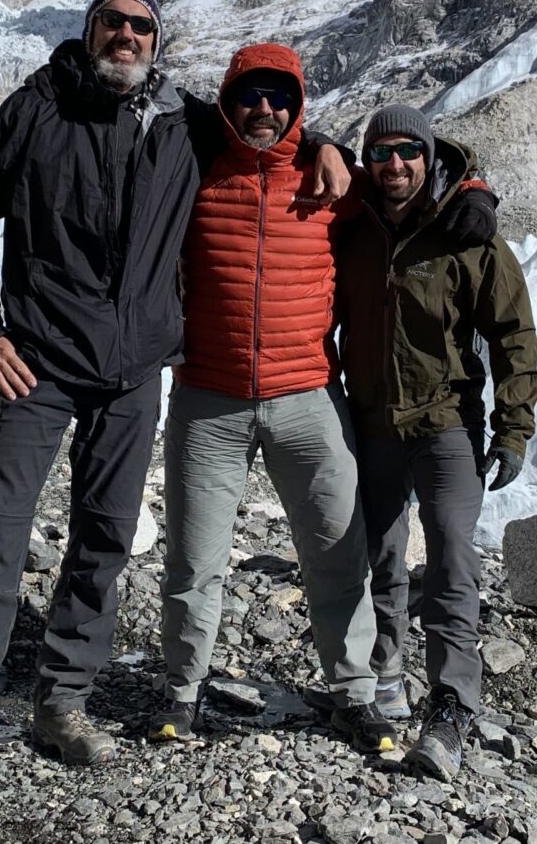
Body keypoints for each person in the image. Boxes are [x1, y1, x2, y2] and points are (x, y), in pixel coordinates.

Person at [0, 0, 348, 836]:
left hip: (132, 373)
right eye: (111, 22)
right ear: (88, 29)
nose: (125, 36)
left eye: (140, 26)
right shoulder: (35, 108)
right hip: (35, 365)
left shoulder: (182, 123)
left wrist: (325, 141)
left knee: (105, 537)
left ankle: (61, 699)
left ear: (157, 40)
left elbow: (262, 135)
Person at [151, 43, 400, 755]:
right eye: (251, 96)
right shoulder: (194, 173)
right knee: (195, 558)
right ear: (230, 104)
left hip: (308, 396)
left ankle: (354, 695)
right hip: (209, 398)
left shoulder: (334, 183)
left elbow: (417, 192)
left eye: (280, 98)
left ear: (298, 108)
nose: (265, 109)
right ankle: (180, 691)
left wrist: (475, 193)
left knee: (335, 551)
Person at [335, 104, 537, 781]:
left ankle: (452, 703)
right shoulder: (351, 226)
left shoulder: (464, 232)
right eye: (381, 152)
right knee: (379, 553)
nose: (395, 165)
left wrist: (513, 427)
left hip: (444, 423)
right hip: (369, 422)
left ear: (428, 157)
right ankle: (386, 671)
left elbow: (513, 334)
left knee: (452, 556)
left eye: (408, 153)